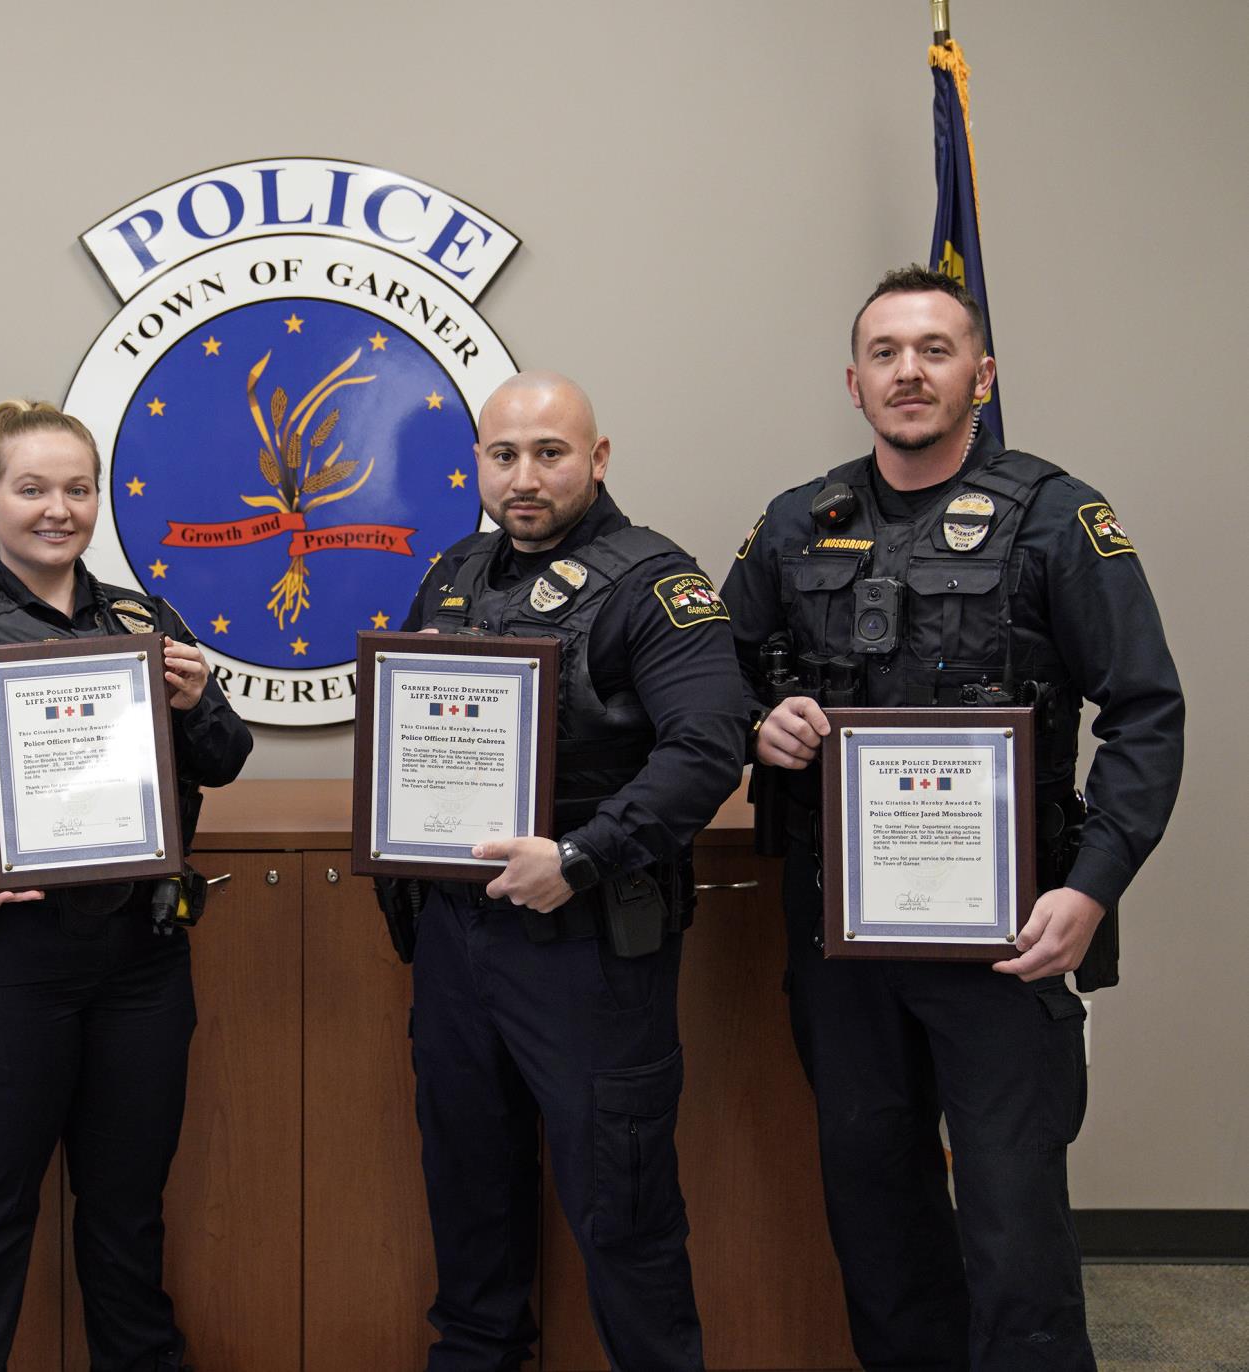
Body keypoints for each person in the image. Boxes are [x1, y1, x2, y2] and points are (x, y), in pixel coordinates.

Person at [722, 266, 1184, 1369]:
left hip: (1007, 938)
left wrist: (1092, 886)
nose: (909, 371)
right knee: (877, 1218)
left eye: (934, 348)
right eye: (885, 352)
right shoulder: (798, 524)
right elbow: (707, 678)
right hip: (844, 941)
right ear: (854, 380)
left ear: (983, 373)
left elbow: (1148, 712)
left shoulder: (1060, 519)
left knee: (1014, 1227)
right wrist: (758, 722)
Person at [0, 400, 251, 1372]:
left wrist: (196, 706)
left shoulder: (144, 622)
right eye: (32, 488)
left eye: (76, 488)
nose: (57, 509)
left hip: (140, 961)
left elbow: (227, 757)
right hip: (2, 963)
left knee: (126, 1213)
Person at [391, 371, 748, 1371]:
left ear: (597, 459)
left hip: (589, 946)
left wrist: (584, 856)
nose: (525, 477)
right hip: (461, 945)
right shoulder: (453, 572)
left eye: (550, 453)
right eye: (503, 455)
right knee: (469, 1205)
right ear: (478, 466)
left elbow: (710, 746)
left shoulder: (654, 583)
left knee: (623, 1214)